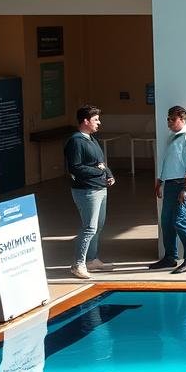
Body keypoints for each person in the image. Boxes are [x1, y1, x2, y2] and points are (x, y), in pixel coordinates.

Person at [64, 104, 114, 280]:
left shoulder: (92, 139)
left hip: (100, 188)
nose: (99, 123)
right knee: (89, 228)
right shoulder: (76, 141)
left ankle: (91, 260)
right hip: (87, 191)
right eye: (96, 119)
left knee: (98, 226)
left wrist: (108, 174)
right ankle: (78, 264)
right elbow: (75, 167)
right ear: (85, 121)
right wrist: (98, 172)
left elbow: (101, 162)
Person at [153, 105, 186, 274]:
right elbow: (166, 162)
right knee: (166, 220)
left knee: (179, 220)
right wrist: (159, 181)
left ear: (183, 119)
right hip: (171, 183)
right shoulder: (171, 138)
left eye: (173, 119)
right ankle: (170, 257)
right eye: (168, 119)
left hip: (184, 183)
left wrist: (185, 188)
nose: (169, 122)